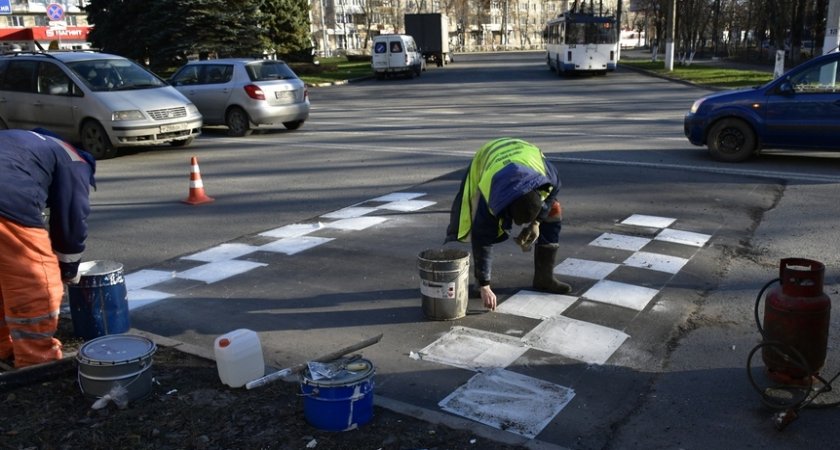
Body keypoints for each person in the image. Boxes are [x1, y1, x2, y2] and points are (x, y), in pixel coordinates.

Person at [0, 129, 95, 368]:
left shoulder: (28, 144)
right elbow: (71, 222)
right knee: (37, 283)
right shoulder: (75, 161)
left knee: (4, 277)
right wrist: (68, 268)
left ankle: (3, 347)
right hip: (6, 202)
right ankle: (36, 362)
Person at [445, 137, 571, 311]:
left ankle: (544, 278)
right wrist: (485, 284)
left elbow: (552, 192)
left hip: (525, 155)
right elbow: (483, 237)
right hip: (487, 158)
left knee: (554, 209)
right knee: (479, 223)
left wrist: (537, 222)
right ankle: (480, 283)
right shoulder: (490, 193)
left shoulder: (548, 176)